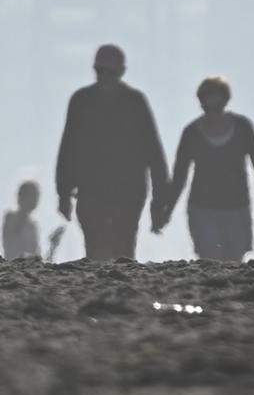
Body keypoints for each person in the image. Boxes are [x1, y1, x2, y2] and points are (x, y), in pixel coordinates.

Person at [53, 44, 170, 261]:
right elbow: (68, 148)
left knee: (123, 249)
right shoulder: (80, 101)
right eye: (100, 71)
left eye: (110, 72)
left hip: (129, 191)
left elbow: (154, 151)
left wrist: (160, 199)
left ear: (122, 72)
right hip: (91, 191)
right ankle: (99, 291)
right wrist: (63, 192)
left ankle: (121, 293)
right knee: (96, 248)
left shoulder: (136, 102)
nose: (105, 77)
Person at [159, 76, 254, 262]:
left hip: (237, 207)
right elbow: (180, 175)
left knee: (234, 262)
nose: (212, 112)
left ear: (225, 102)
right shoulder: (191, 133)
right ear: (201, 103)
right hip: (202, 209)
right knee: (209, 260)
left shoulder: (243, 127)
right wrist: (168, 210)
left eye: (216, 107)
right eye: (206, 106)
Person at [2, 181, 42, 260]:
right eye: (32, 195)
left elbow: (35, 255)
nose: (35, 199)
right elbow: (11, 244)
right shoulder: (10, 217)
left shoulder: (33, 225)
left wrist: (53, 247)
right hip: (14, 266)